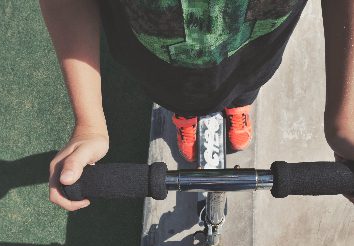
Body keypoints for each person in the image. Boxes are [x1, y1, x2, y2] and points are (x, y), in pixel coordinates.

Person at [40, 0, 354, 211]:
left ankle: (238, 106)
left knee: (249, 83)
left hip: (256, 45)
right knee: (177, 96)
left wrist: (345, 122)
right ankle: (186, 114)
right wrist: (89, 123)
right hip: (160, 61)